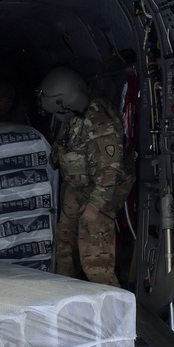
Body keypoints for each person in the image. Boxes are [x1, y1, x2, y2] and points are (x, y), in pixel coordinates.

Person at [37, 67, 130, 287]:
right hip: (78, 184)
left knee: (94, 257)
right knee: (65, 244)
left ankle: (112, 309)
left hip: (105, 187)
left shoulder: (100, 120)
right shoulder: (72, 114)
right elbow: (65, 142)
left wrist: (94, 207)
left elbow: (110, 170)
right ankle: (66, 296)